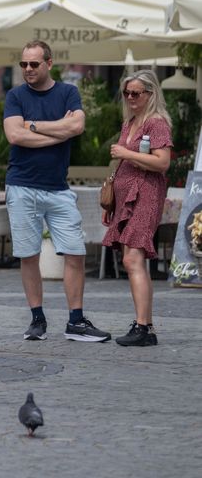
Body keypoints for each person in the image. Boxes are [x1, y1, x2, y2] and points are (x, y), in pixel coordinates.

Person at [3, 40, 109, 342]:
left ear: (49, 63)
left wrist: (33, 126)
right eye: (23, 64)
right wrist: (56, 133)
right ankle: (37, 319)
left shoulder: (67, 92)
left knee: (75, 251)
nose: (27, 70)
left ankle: (76, 322)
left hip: (59, 189)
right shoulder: (15, 95)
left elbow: (76, 127)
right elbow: (14, 134)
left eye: (34, 64)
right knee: (28, 255)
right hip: (22, 186)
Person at [103, 69, 172, 347]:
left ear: (151, 94)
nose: (130, 97)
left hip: (146, 194)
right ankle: (144, 325)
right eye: (126, 93)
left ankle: (143, 327)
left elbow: (163, 163)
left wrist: (126, 153)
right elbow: (125, 165)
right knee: (132, 259)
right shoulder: (130, 122)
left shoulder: (156, 123)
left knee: (133, 259)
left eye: (136, 93)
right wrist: (113, 202)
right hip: (128, 197)